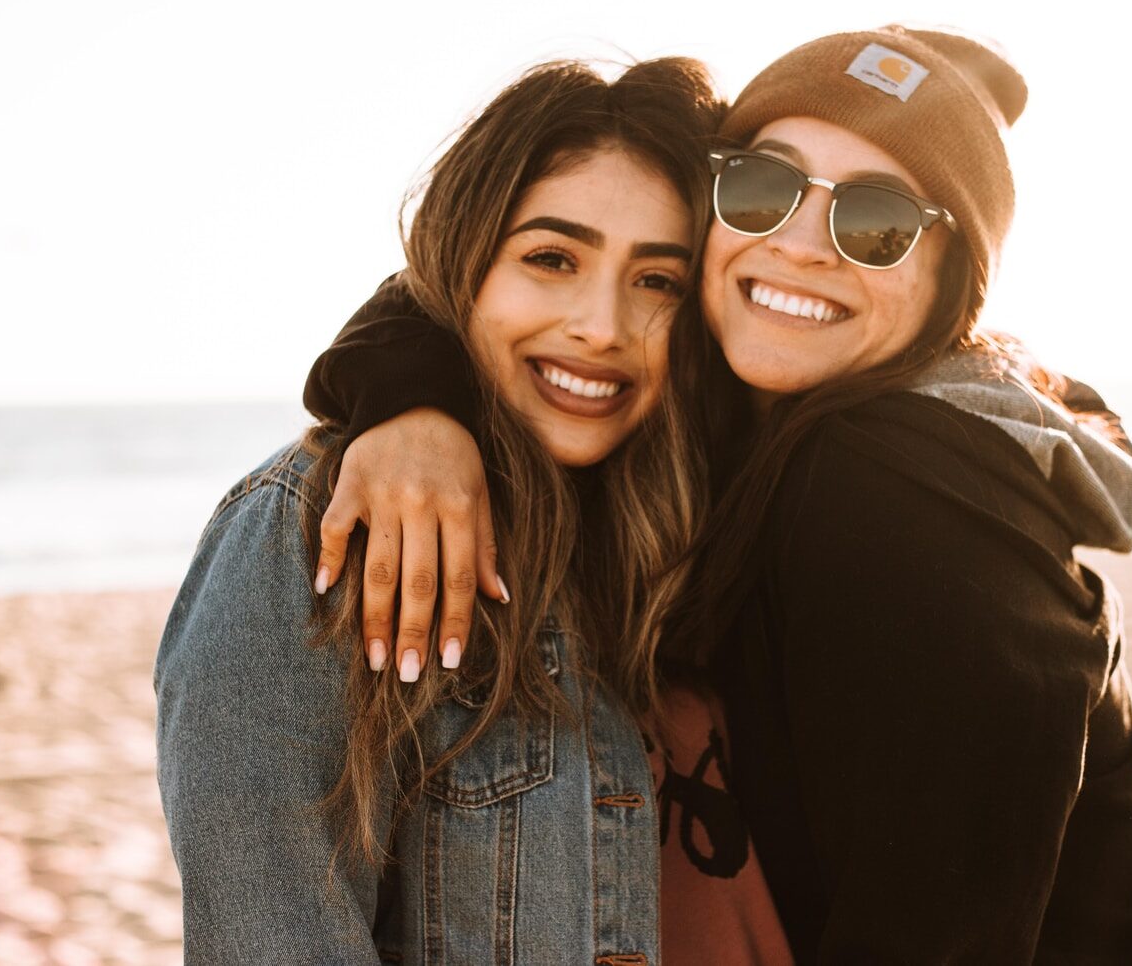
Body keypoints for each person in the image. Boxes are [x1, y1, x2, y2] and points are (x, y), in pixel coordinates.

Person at [301, 26, 1132, 963]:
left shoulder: (904, 494)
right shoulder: (741, 404)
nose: (799, 246)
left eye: (876, 222)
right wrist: (415, 404)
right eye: (761, 188)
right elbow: (482, 264)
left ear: (954, 280)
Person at [155, 57, 797, 963]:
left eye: (657, 281)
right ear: (466, 263)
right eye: (551, 258)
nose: (603, 326)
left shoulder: (679, 527)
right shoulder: (314, 530)